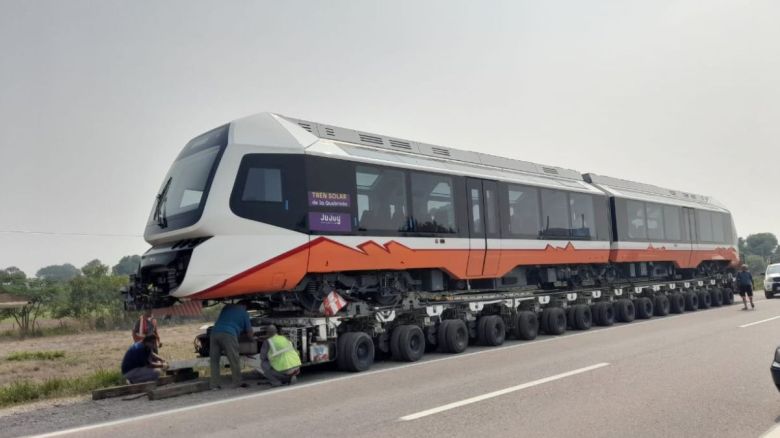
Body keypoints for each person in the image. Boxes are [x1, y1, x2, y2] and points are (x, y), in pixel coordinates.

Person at [210, 300, 254, 389]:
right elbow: (249, 332)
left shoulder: (226, 307)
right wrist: (253, 340)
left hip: (214, 333)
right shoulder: (244, 313)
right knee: (234, 359)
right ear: (245, 306)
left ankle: (214, 385)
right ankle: (237, 382)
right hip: (228, 334)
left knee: (214, 361)